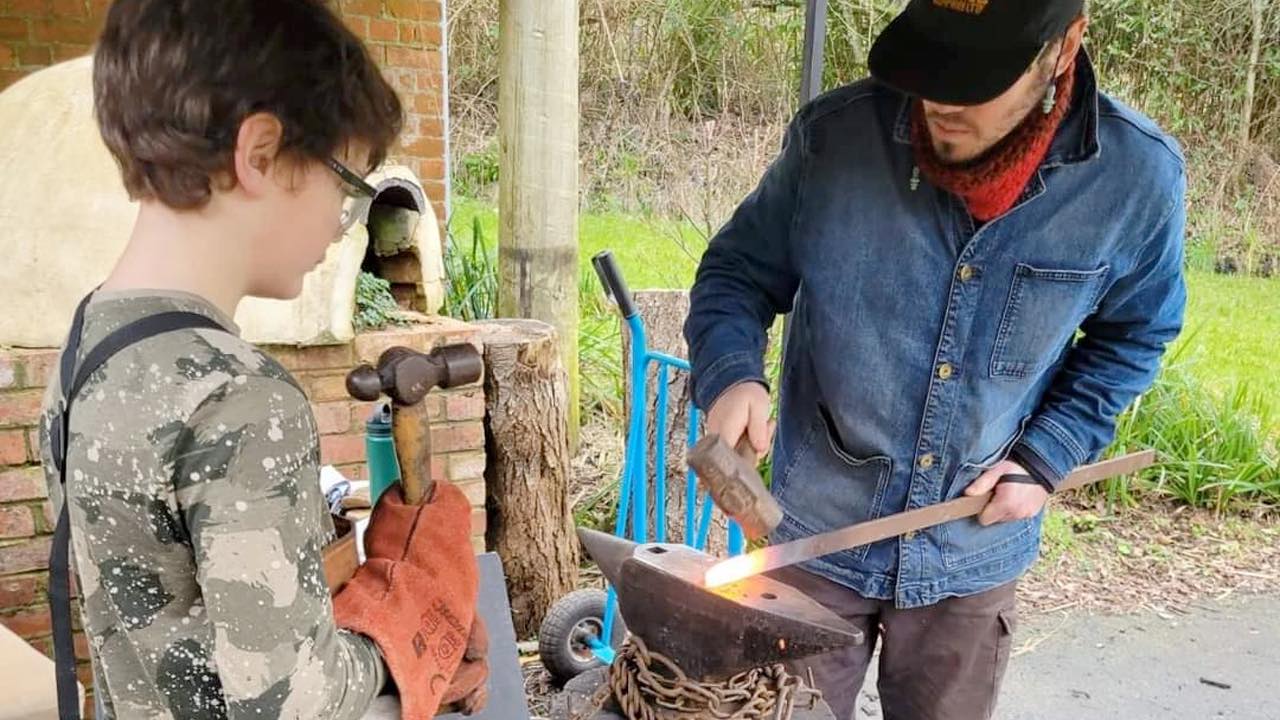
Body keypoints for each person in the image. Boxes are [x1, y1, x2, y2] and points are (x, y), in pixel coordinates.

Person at [684, 1, 1186, 718]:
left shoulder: (1134, 181)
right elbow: (736, 271)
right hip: (814, 538)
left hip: (971, 552)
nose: (941, 100)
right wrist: (732, 374)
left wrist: (1049, 454)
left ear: (1063, 46)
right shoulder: (836, 139)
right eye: (931, 65)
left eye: (976, 77)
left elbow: (1135, 335)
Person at [37, 1, 485, 718]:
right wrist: (412, 616)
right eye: (347, 187)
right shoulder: (238, 398)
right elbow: (294, 707)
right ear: (262, 154)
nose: (346, 227)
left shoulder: (88, 344)